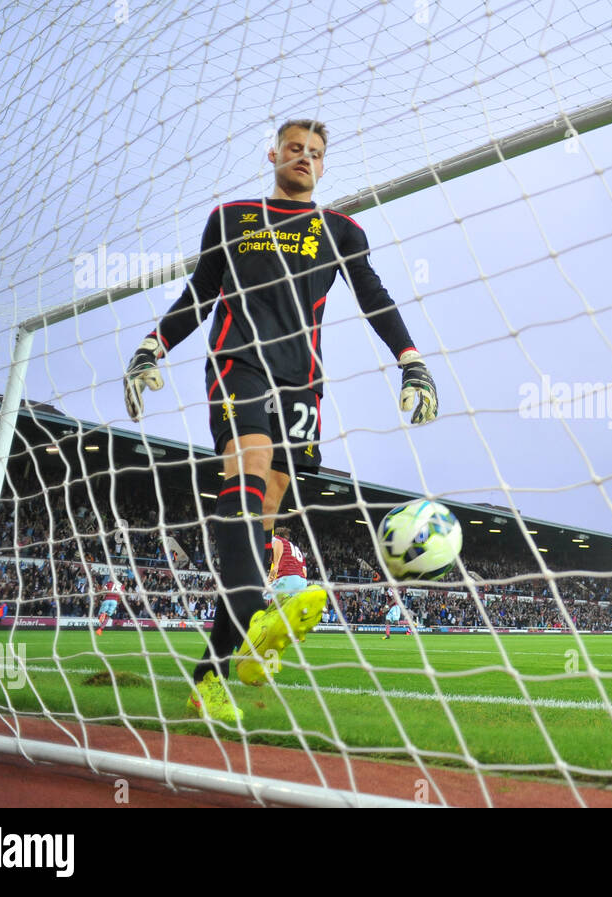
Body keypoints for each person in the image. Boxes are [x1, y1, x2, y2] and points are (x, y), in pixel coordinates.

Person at [122, 120, 438, 722]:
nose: (304, 158)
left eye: (316, 153)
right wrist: (151, 348)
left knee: (264, 520)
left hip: (303, 383)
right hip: (239, 365)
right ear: (274, 154)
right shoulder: (234, 217)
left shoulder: (341, 230)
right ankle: (260, 614)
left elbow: (375, 297)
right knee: (251, 462)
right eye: (295, 148)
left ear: (325, 166)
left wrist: (413, 363)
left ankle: (213, 673)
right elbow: (198, 294)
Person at [267, 525, 308, 600]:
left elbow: (275, 567)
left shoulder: (276, 539)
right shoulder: (297, 549)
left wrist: (269, 582)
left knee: (263, 597)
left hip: (287, 578)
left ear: (276, 535)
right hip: (302, 583)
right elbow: (305, 573)